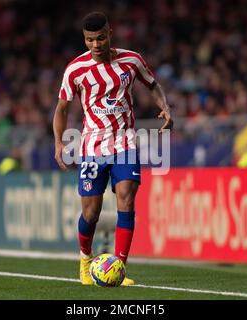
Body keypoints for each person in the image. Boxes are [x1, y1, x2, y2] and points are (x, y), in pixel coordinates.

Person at [53, 12, 173, 286]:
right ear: (85, 40)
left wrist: (164, 107)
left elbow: (153, 85)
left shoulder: (131, 60)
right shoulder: (75, 70)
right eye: (89, 40)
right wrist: (59, 141)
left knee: (127, 198)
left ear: (110, 33)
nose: (95, 44)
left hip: (125, 142)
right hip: (92, 146)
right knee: (91, 213)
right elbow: (62, 108)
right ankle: (85, 260)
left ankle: (118, 267)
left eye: (100, 38)